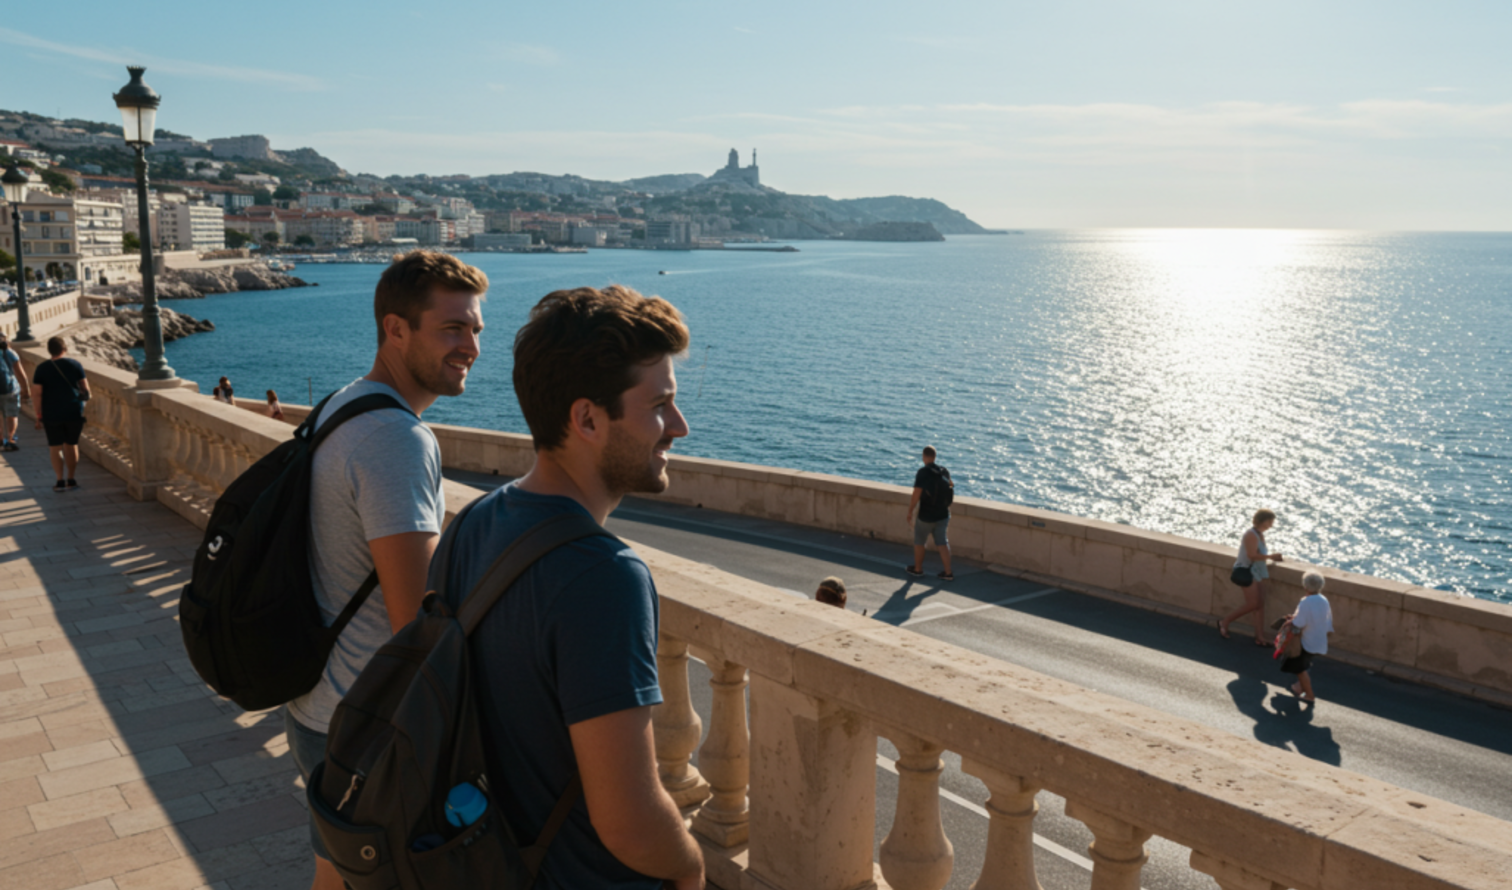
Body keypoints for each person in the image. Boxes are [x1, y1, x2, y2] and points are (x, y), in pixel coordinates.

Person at [427, 285, 704, 890]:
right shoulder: (604, 575)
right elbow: (629, 822)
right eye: (659, 405)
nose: (678, 427)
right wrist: (691, 868)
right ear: (586, 418)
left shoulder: (473, 522)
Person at [284, 251, 488, 890]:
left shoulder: (341, 405)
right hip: (369, 723)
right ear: (396, 330)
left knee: (333, 874)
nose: (472, 346)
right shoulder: (395, 439)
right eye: (453, 328)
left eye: (477, 329)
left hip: (316, 702)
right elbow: (414, 622)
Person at [31, 337, 90, 492]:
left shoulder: (42, 368)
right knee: (71, 444)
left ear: (49, 350)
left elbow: (37, 393)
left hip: (51, 412)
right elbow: (86, 390)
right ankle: (71, 479)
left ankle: (59, 481)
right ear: (64, 349)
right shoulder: (75, 364)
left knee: (55, 447)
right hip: (73, 410)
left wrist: (38, 415)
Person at [1219, 509, 1285, 645]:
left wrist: (1270, 558)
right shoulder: (1251, 535)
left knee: (1260, 605)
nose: (1271, 525)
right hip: (1246, 571)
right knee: (1253, 604)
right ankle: (1224, 621)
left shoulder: (1260, 535)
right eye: (1270, 521)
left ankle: (1259, 637)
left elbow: (1257, 555)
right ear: (1262, 520)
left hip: (1256, 572)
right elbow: (1252, 555)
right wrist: (1271, 556)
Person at [1283, 571, 1334, 704]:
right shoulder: (1324, 600)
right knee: (1304, 664)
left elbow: (1300, 623)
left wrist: (1290, 620)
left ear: (1305, 586)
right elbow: (1326, 619)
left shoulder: (1305, 601)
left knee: (1300, 669)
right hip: (1320, 641)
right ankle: (1298, 687)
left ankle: (1309, 695)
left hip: (1307, 641)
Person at [905, 445, 954, 581]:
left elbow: (916, 494)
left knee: (919, 541)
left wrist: (910, 511)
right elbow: (951, 485)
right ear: (935, 457)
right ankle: (948, 572)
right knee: (942, 542)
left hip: (926, 515)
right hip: (943, 514)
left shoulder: (923, 472)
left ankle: (918, 569)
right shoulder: (944, 471)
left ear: (924, 457)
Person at [0, 333, 29, 451]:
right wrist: (26, 389)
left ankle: (0, 439)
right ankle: (11, 439)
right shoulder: (10, 353)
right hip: (10, 389)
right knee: (12, 415)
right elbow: (20, 373)